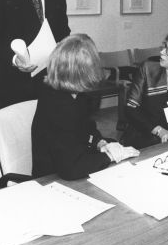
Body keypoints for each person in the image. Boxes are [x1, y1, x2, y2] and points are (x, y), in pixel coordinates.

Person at [31, 34, 140, 180]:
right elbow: (71, 169)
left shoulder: (75, 94)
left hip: (72, 160)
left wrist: (100, 143)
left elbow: (85, 128)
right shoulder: (60, 105)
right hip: (53, 178)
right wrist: (109, 156)